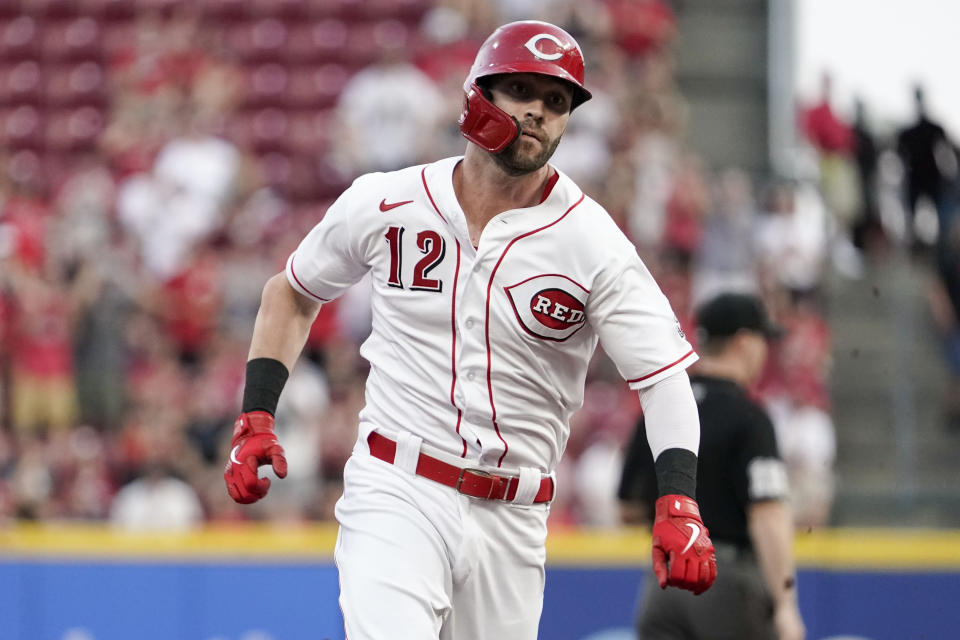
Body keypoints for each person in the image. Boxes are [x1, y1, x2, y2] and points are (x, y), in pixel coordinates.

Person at [223, 21, 716, 640]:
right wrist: (257, 415)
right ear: (476, 94)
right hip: (397, 483)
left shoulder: (594, 243)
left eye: (556, 101)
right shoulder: (389, 199)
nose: (538, 111)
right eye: (520, 90)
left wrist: (679, 499)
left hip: (514, 514)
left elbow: (663, 380)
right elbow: (291, 292)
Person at [618, 292, 805, 640]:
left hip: (664, 582)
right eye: (762, 340)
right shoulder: (749, 417)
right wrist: (786, 604)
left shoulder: (660, 409)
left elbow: (627, 508)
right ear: (744, 342)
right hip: (728, 584)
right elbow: (767, 515)